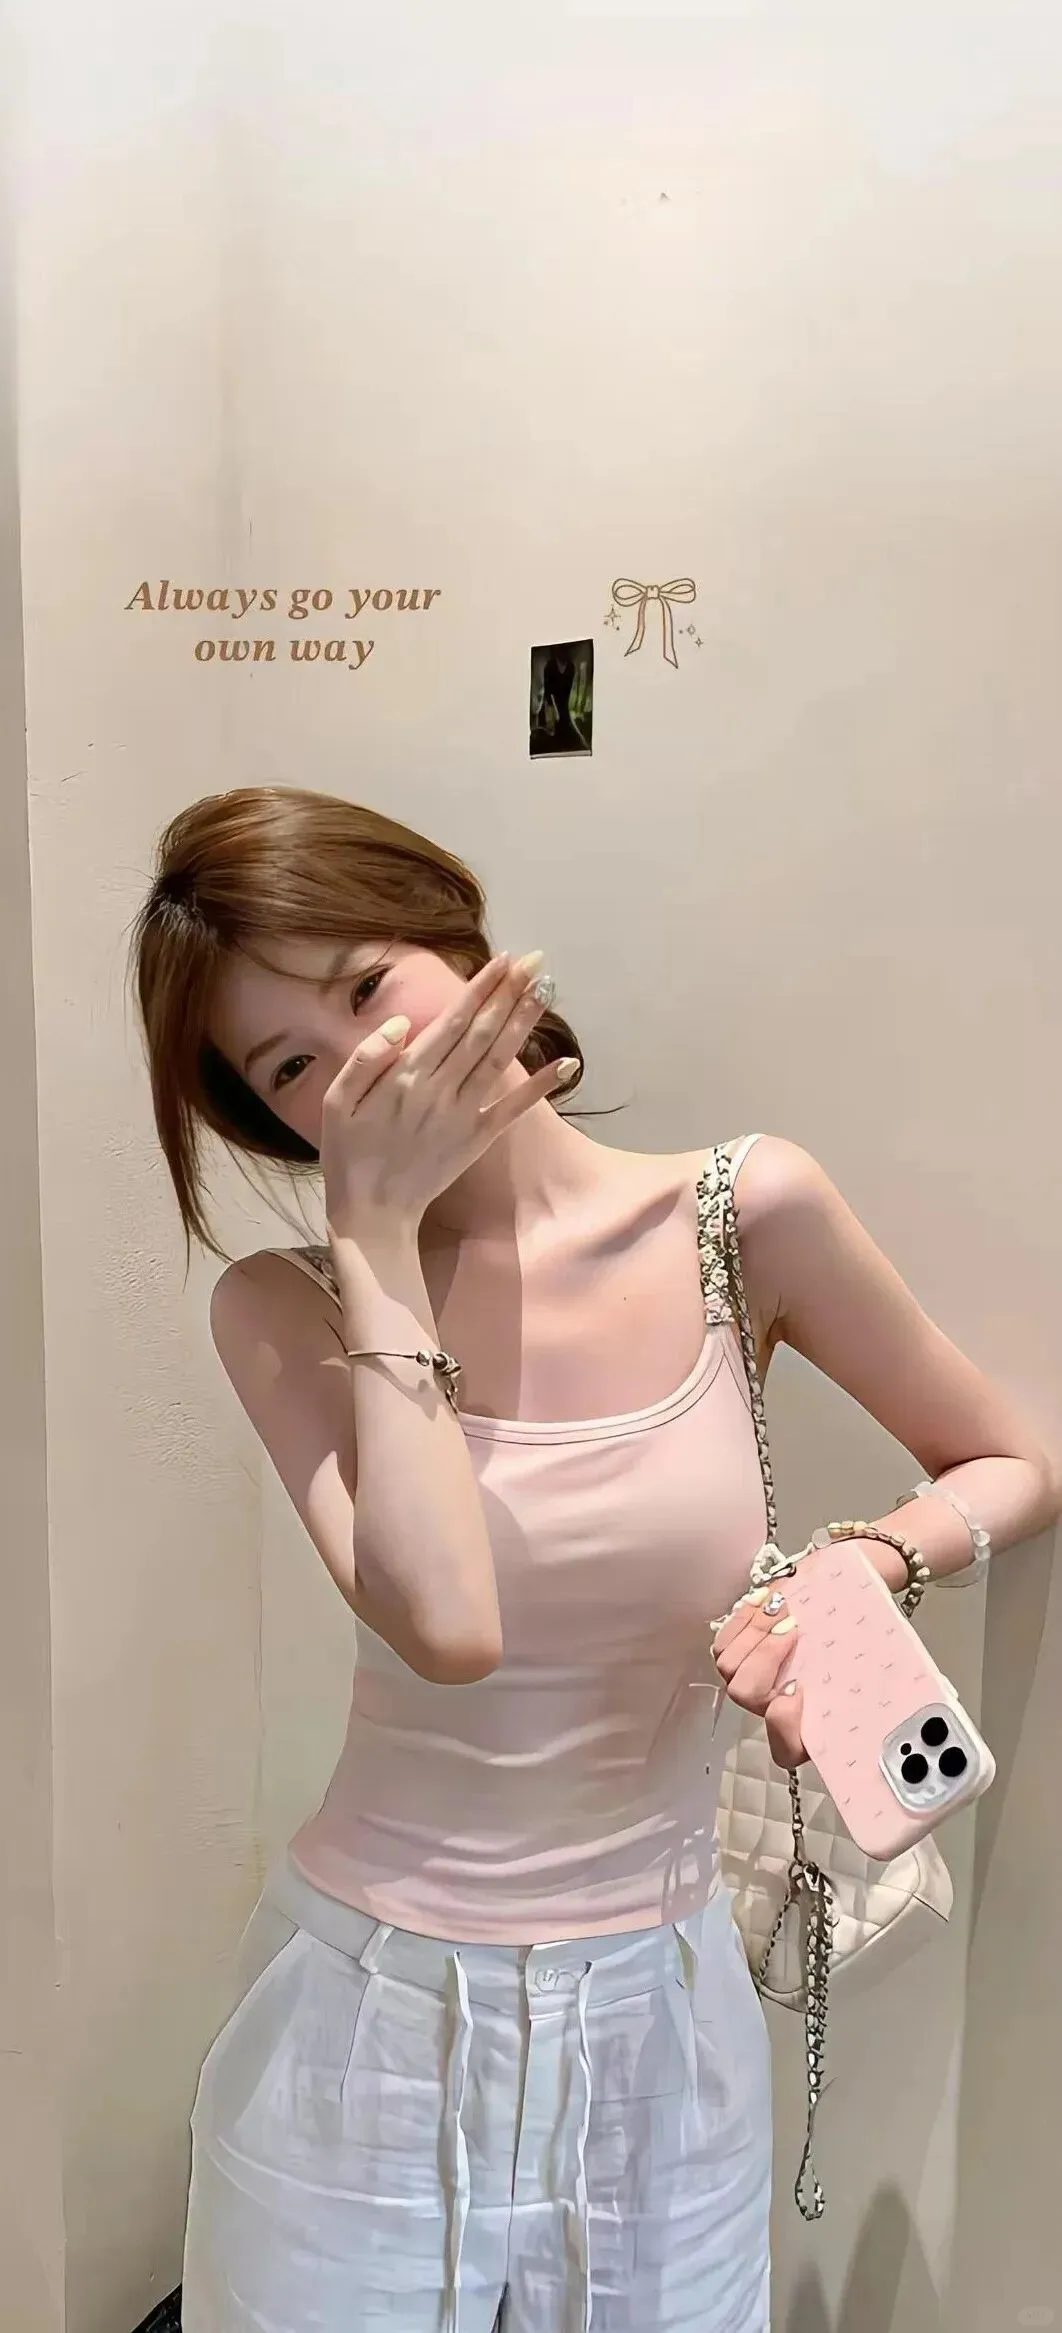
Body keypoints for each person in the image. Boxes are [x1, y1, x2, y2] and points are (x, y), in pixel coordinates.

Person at [129, 785, 1058, 2333]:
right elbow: (448, 1627)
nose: (363, 1063)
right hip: (366, 2020)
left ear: (458, 944)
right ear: (272, 1120)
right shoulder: (287, 1308)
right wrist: (376, 1243)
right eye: (292, 1066)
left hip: (658, 2018)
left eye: (364, 984)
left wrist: (867, 1563)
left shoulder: (738, 1217)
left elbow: (1008, 1462)